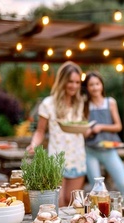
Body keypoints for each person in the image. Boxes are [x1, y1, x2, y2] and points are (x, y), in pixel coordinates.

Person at [27, 61, 87, 207]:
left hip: (77, 158)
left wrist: (89, 130)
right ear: (62, 81)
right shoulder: (48, 104)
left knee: (74, 203)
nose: (74, 85)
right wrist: (33, 144)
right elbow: (40, 131)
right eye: (70, 81)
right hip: (56, 159)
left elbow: (83, 129)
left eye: (77, 82)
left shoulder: (80, 103)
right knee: (57, 202)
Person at [81, 71, 124, 195]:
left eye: (97, 84)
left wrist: (100, 127)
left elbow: (118, 126)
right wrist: (88, 131)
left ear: (102, 85)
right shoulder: (85, 105)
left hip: (109, 149)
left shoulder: (110, 102)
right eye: (91, 85)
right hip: (90, 151)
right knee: (96, 189)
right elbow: (83, 131)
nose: (95, 87)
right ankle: (98, 214)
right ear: (87, 88)